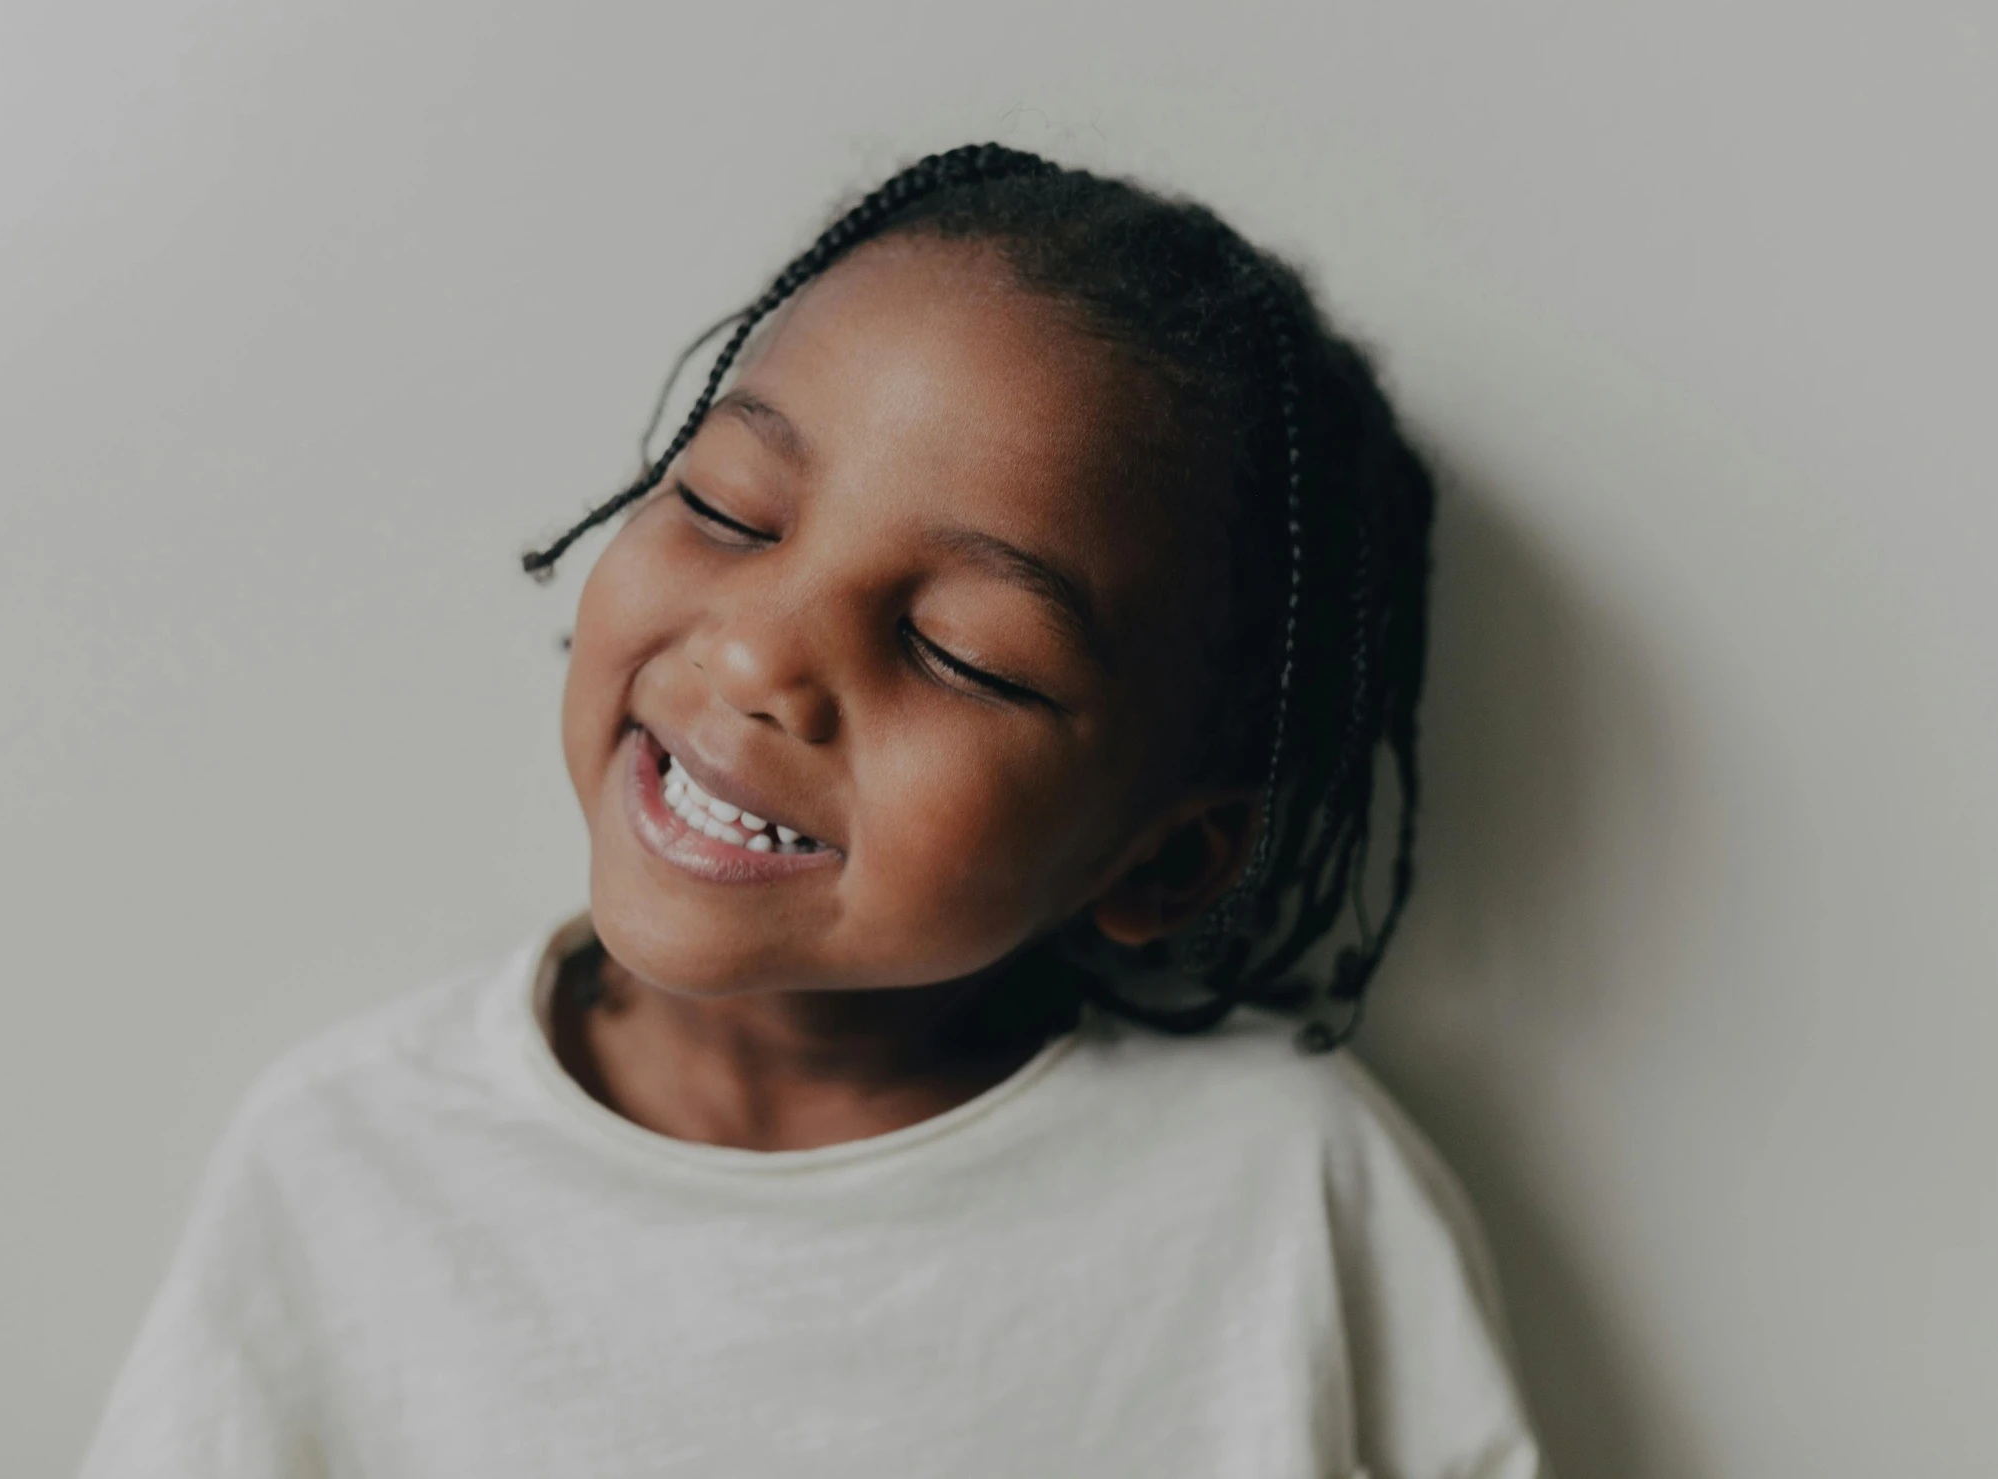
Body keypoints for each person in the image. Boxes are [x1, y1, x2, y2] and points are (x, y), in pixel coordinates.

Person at [80, 144, 1541, 1478]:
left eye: (961, 650)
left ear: (1161, 855)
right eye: (724, 506)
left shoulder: (1283, 1192)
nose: (761, 654)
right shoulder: (348, 1159)